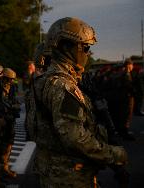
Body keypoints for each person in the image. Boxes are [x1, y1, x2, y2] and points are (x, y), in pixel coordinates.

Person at [31, 17, 128, 187]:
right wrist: (113, 154)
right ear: (66, 46)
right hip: (69, 176)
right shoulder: (63, 86)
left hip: (54, 171)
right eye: (85, 47)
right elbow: (75, 138)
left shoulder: (45, 80)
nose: (87, 53)